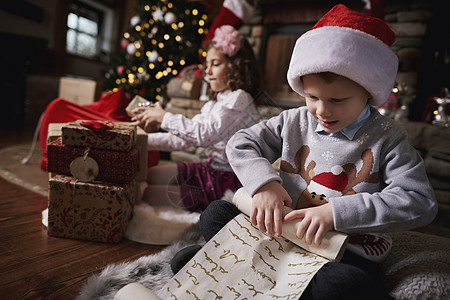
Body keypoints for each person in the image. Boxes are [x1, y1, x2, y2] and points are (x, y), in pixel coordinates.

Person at [171, 5, 438, 299]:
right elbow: (241, 142)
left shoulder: (388, 138)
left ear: (368, 92)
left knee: (345, 286)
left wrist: (336, 213)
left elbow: (419, 201)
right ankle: (262, 270)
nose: (322, 110)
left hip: (338, 250)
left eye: (337, 99)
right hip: (279, 234)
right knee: (215, 214)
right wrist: (265, 186)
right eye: (312, 97)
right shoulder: (294, 120)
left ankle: (245, 270)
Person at [132, 25, 262, 213]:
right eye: (207, 65)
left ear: (235, 67)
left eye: (215, 64)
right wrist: (140, 140)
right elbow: (182, 141)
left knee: (149, 194)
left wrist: (164, 118)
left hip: (227, 180)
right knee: (152, 175)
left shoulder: (240, 98)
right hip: (209, 169)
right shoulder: (214, 103)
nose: (208, 72)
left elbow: (204, 136)